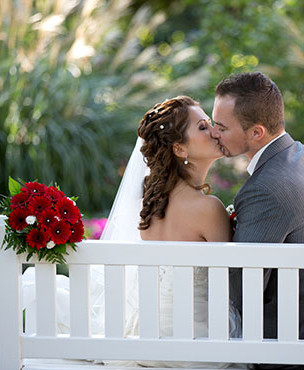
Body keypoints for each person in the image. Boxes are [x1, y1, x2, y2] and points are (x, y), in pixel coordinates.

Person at [210, 72, 304, 370]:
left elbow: (240, 289)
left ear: (256, 133)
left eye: (221, 127)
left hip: (301, 352)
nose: (213, 133)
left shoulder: (266, 188)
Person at [101, 96, 247, 369]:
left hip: (147, 337)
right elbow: (232, 284)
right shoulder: (208, 209)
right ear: (180, 148)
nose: (215, 131)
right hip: (196, 340)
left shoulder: (148, 206)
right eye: (203, 127)